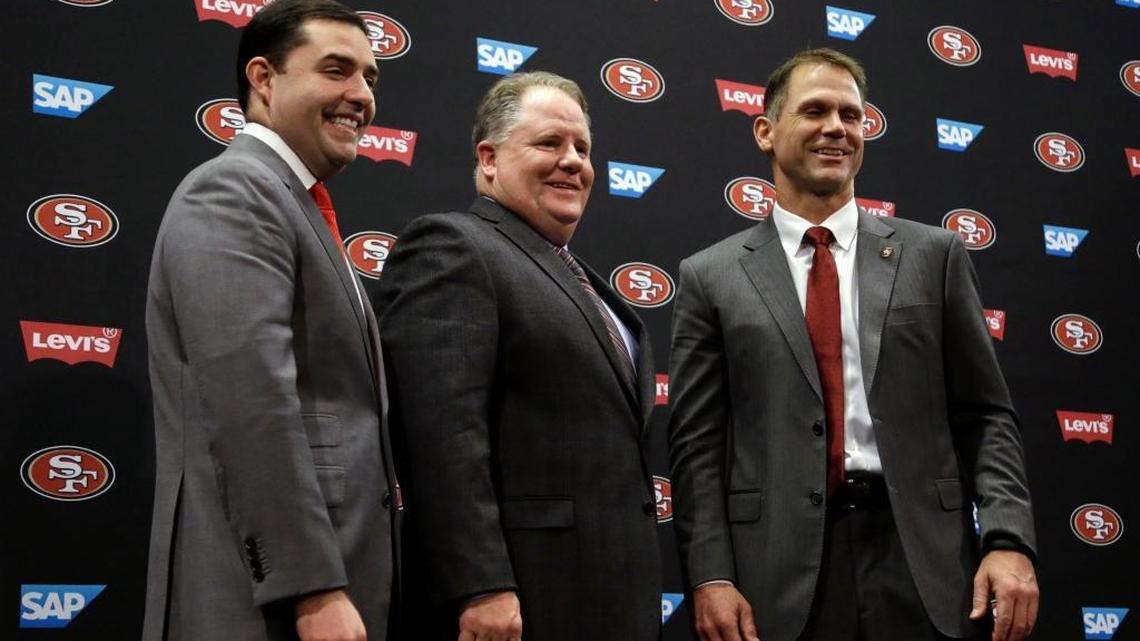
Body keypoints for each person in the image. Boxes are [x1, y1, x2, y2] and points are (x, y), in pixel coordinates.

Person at [667, 48, 1038, 641]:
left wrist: (1008, 540)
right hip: (779, 578)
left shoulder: (934, 257)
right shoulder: (710, 276)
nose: (836, 128)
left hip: (928, 566)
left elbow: (986, 415)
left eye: (851, 115)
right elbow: (696, 446)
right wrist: (710, 576)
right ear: (765, 130)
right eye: (814, 111)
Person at [374, 71, 661, 641]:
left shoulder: (590, 285)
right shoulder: (454, 247)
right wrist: (477, 585)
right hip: (518, 605)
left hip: (610, 603)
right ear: (488, 158)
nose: (573, 161)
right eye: (549, 144)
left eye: (582, 148)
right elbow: (441, 438)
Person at [142, 2, 397, 640]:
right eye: (337, 71)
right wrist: (312, 588)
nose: (360, 96)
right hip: (263, 600)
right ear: (263, 78)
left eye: (369, 77)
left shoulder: (293, 201)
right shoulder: (234, 190)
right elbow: (251, 402)